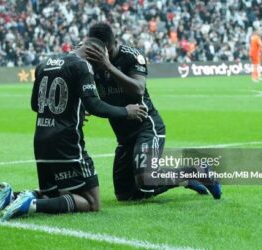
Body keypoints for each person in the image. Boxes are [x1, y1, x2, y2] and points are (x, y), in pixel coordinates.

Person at [0, 38, 148, 221]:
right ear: (95, 53)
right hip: (66, 141)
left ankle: (11, 197)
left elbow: (35, 105)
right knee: (91, 202)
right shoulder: (82, 66)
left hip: (41, 139)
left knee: (53, 195)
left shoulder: (44, 64)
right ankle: (31, 204)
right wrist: (126, 112)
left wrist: (74, 108)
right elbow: (95, 105)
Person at [86, 22, 221, 201]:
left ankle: (198, 170)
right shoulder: (91, 60)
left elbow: (138, 89)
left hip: (147, 128)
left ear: (115, 42)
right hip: (124, 137)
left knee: (145, 180)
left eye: (108, 51)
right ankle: (185, 178)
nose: (104, 56)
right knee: (126, 195)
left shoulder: (131, 57)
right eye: (100, 52)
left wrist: (108, 66)